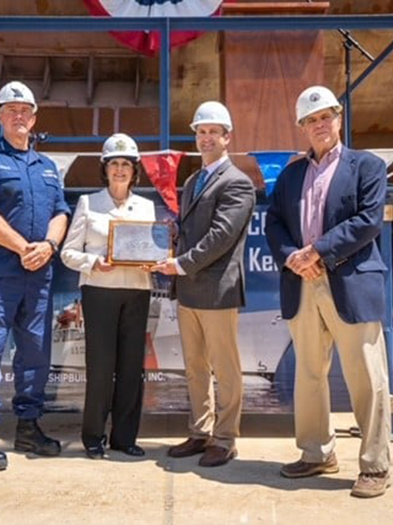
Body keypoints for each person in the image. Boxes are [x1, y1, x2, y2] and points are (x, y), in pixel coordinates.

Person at [264, 85, 391, 498]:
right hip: (302, 283)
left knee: (366, 376)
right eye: (311, 120)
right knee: (310, 373)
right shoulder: (291, 174)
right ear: (302, 127)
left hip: (349, 281)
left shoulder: (367, 166)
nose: (320, 125)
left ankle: (374, 466)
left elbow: (368, 220)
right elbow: (275, 223)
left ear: (339, 118)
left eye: (326, 117)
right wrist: (291, 257)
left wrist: (317, 250)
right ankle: (317, 452)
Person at [0, 81, 70, 471]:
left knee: (35, 355)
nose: (19, 115)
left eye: (25, 109)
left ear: (34, 117)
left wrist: (50, 247)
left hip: (37, 277)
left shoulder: (47, 167)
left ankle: (28, 425)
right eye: (11, 109)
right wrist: (24, 247)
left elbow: (61, 213)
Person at [151, 101, 256, 467]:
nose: (206, 138)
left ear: (228, 137)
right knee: (195, 366)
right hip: (190, 290)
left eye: (213, 132)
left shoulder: (238, 183)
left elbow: (221, 237)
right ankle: (200, 432)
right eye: (201, 132)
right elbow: (193, 231)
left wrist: (179, 263)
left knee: (224, 368)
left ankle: (225, 439)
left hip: (216, 289)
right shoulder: (194, 181)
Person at [60, 133, 155, 459]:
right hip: (99, 292)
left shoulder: (146, 206)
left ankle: (125, 438)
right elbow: (68, 253)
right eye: (114, 163)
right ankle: (94, 438)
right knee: (100, 368)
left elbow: (154, 249)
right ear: (105, 168)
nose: (119, 170)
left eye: (125, 164)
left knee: (131, 369)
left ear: (134, 170)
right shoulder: (89, 203)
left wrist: (153, 259)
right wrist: (92, 262)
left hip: (137, 290)